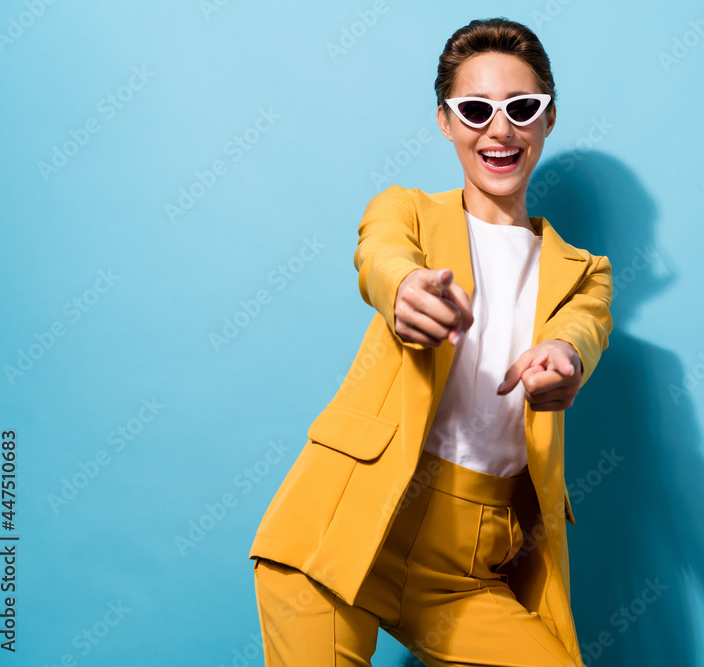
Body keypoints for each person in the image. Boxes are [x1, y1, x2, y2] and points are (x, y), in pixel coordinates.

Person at [248, 16, 613, 666]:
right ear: (445, 121)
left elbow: (580, 329)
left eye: (520, 108)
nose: (498, 129)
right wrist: (406, 289)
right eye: (474, 110)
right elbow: (380, 256)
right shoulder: (406, 210)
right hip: (341, 528)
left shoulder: (585, 271)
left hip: (466, 569)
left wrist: (566, 360)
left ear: (549, 118)